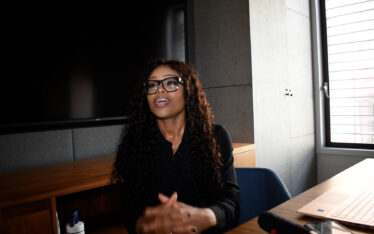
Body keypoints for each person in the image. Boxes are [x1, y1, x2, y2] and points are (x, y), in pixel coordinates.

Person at [113, 59, 239, 233]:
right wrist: (145, 225)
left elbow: (231, 203)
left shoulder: (217, 137)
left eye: (171, 82)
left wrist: (207, 216)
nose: (160, 89)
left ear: (188, 90)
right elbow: (130, 212)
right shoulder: (133, 145)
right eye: (152, 85)